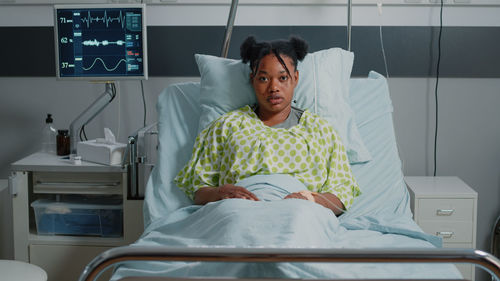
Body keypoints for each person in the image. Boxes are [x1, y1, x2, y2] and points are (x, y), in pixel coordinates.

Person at [175, 36, 360, 216]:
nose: (273, 88)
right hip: (236, 211)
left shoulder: (320, 130)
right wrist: (220, 194)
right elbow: (198, 188)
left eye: (283, 78)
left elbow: (341, 193)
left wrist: (310, 201)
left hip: (300, 213)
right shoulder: (227, 126)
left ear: (295, 78)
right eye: (264, 79)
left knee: (296, 225)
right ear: (252, 79)